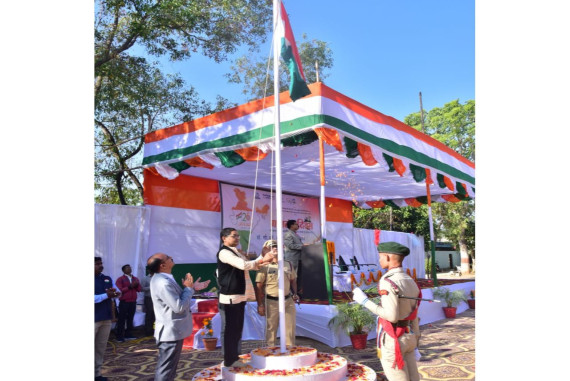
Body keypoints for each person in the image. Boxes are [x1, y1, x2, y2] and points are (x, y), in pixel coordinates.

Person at [352, 242, 422, 381]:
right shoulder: (410, 279)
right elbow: (414, 311)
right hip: (409, 335)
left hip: (394, 339)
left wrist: (364, 301)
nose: (379, 260)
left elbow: (391, 316)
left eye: (380, 257)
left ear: (388, 257)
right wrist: (416, 335)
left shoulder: (388, 280)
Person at [217, 227, 276, 368]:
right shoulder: (224, 252)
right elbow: (244, 265)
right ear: (224, 238)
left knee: (237, 329)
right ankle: (229, 360)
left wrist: (262, 257)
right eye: (233, 236)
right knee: (231, 330)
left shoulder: (236, 251)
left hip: (240, 296)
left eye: (238, 236)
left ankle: (234, 357)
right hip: (230, 297)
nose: (237, 238)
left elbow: (252, 265)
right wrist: (262, 260)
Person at [147, 253, 211, 381]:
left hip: (173, 330)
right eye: (168, 258)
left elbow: (175, 300)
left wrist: (192, 288)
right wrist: (188, 289)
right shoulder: (162, 282)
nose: (171, 257)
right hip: (170, 331)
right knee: (166, 369)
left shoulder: (163, 278)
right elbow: (179, 307)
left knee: (169, 367)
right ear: (163, 265)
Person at [255, 239, 299, 347]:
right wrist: (260, 305)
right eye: (272, 247)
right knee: (271, 328)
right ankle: (271, 350)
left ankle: (290, 350)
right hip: (271, 301)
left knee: (290, 328)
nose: (275, 249)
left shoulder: (288, 264)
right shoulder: (264, 266)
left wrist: (295, 293)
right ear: (266, 250)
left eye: (276, 246)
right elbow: (259, 286)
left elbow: (293, 280)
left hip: (287, 300)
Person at [95, 257, 121, 381]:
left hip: (105, 318)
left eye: (101, 263)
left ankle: (97, 374)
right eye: (97, 264)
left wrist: (116, 293)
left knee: (100, 347)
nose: (100, 266)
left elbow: (117, 292)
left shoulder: (107, 278)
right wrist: (107, 295)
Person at [115, 264, 142, 342]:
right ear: (123, 270)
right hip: (124, 302)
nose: (129, 269)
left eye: (130, 267)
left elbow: (139, 289)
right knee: (122, 319)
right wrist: (130, 286)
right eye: (127, 268)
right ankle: (119, 336)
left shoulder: (135, 279)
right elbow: (119, 290)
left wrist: (136, 286)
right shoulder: (120, 279)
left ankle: (128, 334)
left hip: (133, 302)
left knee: (130, 318)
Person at [283, 219, 308, 295]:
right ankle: (290, 293)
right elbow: (290, 246)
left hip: (298, 258)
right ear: (291, 225)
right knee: (291, 276)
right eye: (296, 224)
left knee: (298, 276)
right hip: (292, 259)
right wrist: (302, 246)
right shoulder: (288, 234)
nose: (298, 225)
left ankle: (297, 291)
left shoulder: (295, 234)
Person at [140, 269, 155, 336]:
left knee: (157, 315)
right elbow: (141, 289)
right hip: (149, 298)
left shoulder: (158, 278)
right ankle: (148, 331)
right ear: (148, 270)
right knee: (149, 314)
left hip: (158, 298)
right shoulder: (145, 278)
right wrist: (150, 287)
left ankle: (156, 330)